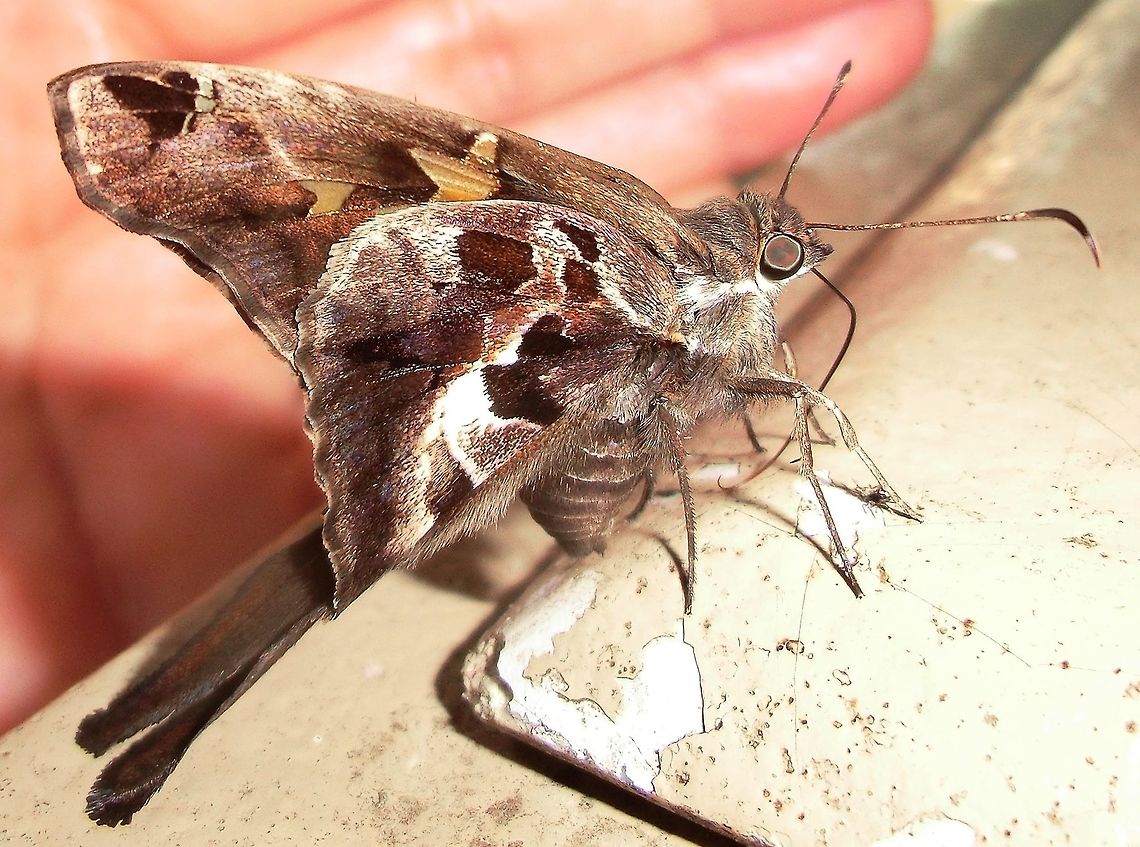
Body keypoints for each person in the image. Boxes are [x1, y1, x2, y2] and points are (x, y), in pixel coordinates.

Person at [0, 0, 932, 734]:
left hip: (574, 434)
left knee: (778, 392)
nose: (786, 269)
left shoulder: (694, 300)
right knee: (792, 394)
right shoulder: (663, 277)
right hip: (491, 417)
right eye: (775, 263)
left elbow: (711, 375)